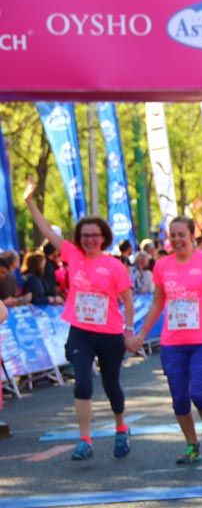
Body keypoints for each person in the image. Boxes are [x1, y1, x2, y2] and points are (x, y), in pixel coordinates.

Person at [23, 178, 137, 461]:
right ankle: (84, 440)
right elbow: (47, 230)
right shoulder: (71, 254)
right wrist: (28, 201)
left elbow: (128, 300)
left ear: (104, 237)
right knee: (83, 384)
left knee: (112, 386)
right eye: (85, 235)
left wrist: (130, 329)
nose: (89, 239)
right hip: (81, 331)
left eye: (94, 235)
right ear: (79, 237)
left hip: (110, 333)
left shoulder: (113, 265)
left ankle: (121, 427)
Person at [129, 216, 202, 463]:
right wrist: (141, 334)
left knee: (200, 393)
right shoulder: (162, 265)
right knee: (179, 398)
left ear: (192, 236)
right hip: (173, 342)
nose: (177, 239)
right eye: (173, 235)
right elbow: (158, 303)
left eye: (182, 234)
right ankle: (192, 444)